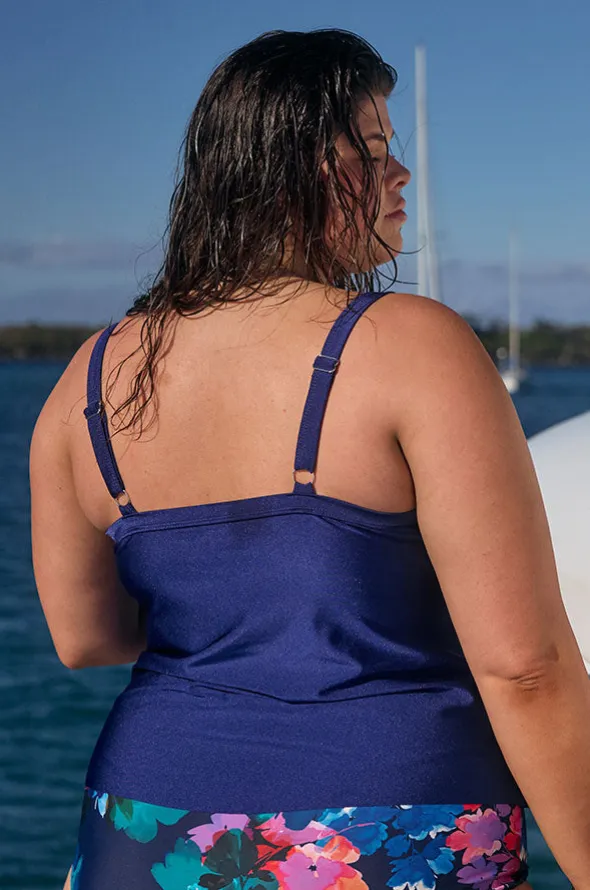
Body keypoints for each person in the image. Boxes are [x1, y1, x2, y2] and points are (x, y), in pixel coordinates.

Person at [29, 29, 589, 890]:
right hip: (390, 825)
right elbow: (525, 666)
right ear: (294, 169)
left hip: (143, 827)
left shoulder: (90, 376)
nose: (401, 174)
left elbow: (83, 638)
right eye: (373, 150)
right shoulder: (413, 347)